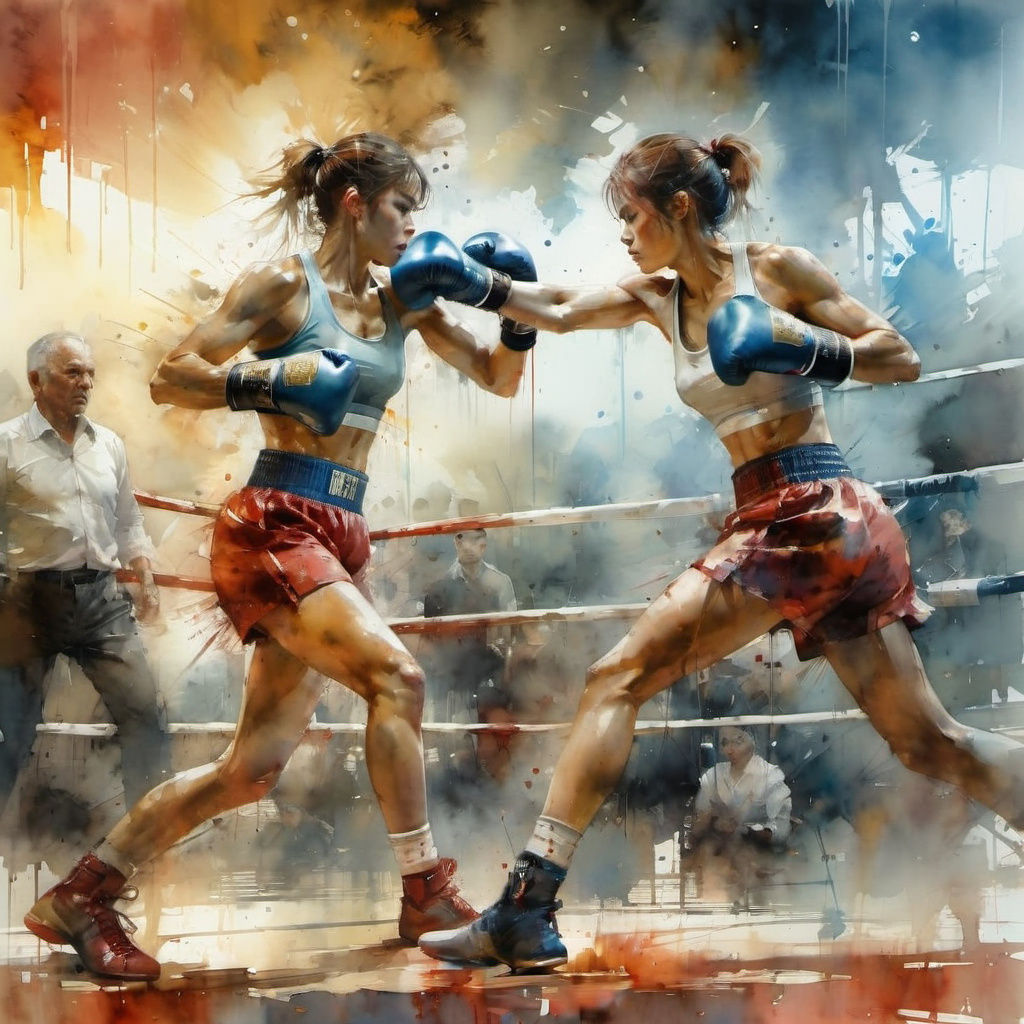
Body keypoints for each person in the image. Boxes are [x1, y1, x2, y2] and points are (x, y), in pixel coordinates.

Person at [388, 130, 1024, 972]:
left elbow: (898, 357)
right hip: (780, 519)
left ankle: (527, 909)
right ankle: (525, 913)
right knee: (927, 743)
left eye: (632, 216)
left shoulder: (777, 271)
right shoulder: (659, 296)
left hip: (816, 511)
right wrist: (480, 286)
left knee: (617, 677)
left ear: (679, 207)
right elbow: (565, 308)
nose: (624, 234)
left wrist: (802, 345)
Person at [23, 132, 538, 981]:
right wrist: (268, 381)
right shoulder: (284, 286)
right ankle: (425, 891)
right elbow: (170, 373)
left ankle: (82, 894)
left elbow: (499, 377)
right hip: (274, 523)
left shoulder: (404, 298)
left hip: (341, 528)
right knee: (399, 680)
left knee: (250, 770)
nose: (414, 228)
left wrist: (514, 311)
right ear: (354, 204)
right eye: (402, 208)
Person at [0, 332, 170, 821]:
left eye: (90, 373)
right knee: (11, 733)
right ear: (37, 380)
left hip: (101, 601)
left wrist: (145, 574)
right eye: (73, 372)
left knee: (146, 720)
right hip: (28, 603)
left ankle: (144, 846)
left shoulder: (108, 444)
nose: (86, 383)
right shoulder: (7, 444)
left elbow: (128, 520)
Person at [422, 528, 518, 775]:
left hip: (488, 671)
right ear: (456, 542)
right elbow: (432, 636)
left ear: (484, 543)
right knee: (451, 737)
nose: (469, 546)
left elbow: (508, 633)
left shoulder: (500, 582)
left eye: (476, 539)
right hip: (452, 673)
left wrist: (502, 667)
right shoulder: (441, 585)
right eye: (463, 539)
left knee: (489, 736)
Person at [688, 725, 792, 906]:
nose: (730, 749)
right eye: (724, 743)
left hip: (757, 849)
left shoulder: (770, 776)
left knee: (745, 857)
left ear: (753, 741)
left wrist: (764, 833)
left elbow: (781, 822)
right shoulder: (714, 776)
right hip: (722, 851)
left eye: (738, 741)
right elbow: (701, 814)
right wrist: (714, 821)